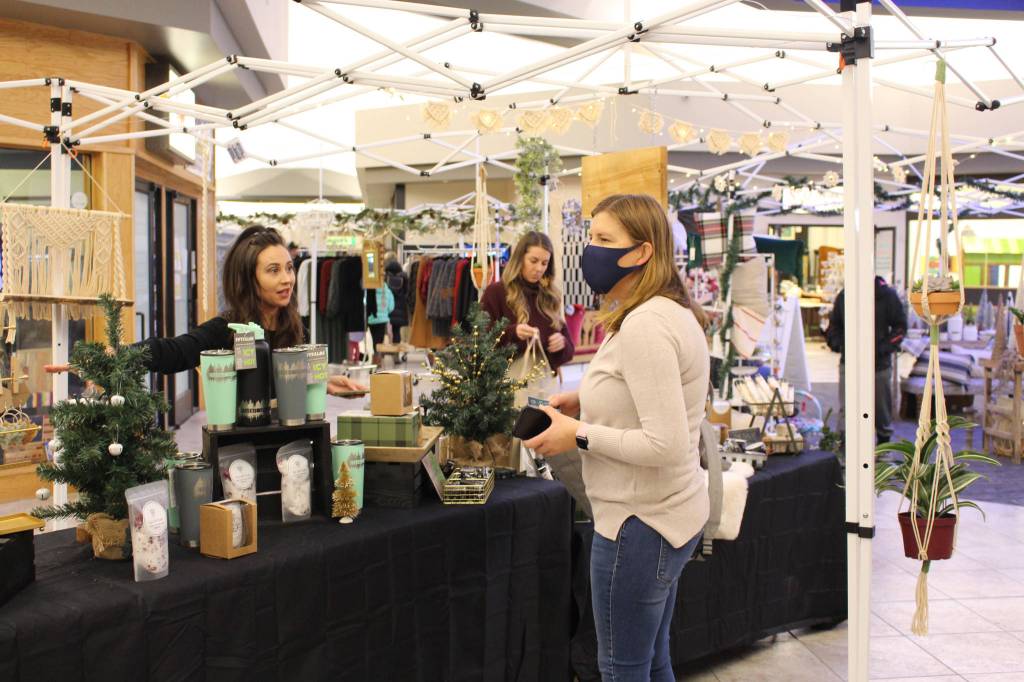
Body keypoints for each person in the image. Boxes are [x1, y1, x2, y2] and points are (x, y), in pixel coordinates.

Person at [524, 194, 710, 682]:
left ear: (642, 252)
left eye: (605, 240)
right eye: (591, 238)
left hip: (639, 523)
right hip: (664, 515)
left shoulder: (647, 322)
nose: (591, 250)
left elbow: (663, 443)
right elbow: (643, 395)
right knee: (651, 661)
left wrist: (578, 434)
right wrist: (583, 401)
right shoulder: (655, 311)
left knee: (623, 670)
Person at [45, 225, 366, 397]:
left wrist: (326, 381)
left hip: (293, 446)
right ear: (248, 278)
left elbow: (287, 377)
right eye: (273, 270)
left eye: (288, 268)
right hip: (241, 454)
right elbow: (173, 350)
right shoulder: (228, 328)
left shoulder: (293, 324)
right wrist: (113, 356)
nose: (287, 279)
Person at [825, 274, 907, 443]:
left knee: (881, 409)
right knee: (847, 409)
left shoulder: (887, 296)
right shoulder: (845, 296)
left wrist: (881, 349)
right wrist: (840, 344)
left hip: (879, 365)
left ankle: (884, 446)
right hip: (849, 362)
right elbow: (834, 325)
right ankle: (845, 446)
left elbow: (900, 326)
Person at [480, 231, 575, 373]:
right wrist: (512, 332)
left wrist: (562, 344)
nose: (539, 269)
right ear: (520, 258)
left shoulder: (549, 296)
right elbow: (480, 338)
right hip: (505, 383)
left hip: (543, 383)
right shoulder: (496, 292)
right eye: (533, 261)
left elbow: (569, 350)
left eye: (544, 263)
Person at [366, 284, 395, 366]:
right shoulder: (387, 291)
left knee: (374, 339)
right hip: (383, 319)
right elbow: (391, 307)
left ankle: (375, 358)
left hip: (371, 319)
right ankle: (377, 358)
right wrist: (385, 312)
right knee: (379, 340)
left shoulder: (370, 289)